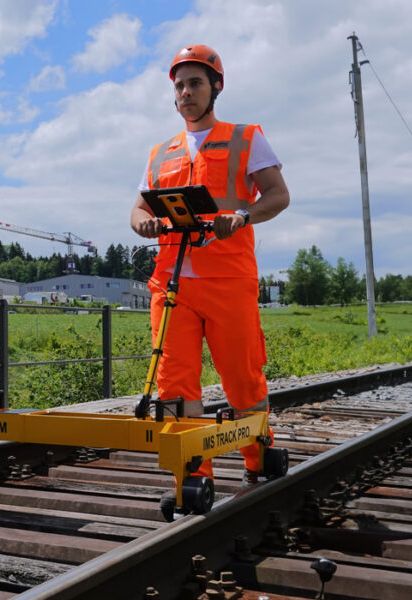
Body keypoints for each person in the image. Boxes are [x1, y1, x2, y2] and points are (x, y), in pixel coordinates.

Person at [129, 44, 289, 485]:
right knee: (175, 386)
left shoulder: (245, 137)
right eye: (180, 85)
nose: (186, 92)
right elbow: (138, 210)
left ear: (216, 86)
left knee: (242, 380)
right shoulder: (161, 153)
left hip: (229, 279)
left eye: (195, 83)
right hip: (172, 283)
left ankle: (259, 456)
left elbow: (278, 195)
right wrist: (145, 224)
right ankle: (194, 475)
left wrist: (243, 216)